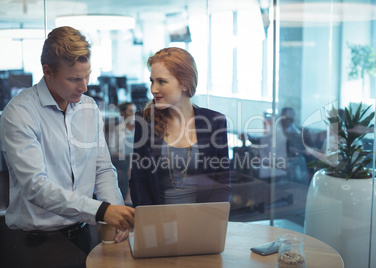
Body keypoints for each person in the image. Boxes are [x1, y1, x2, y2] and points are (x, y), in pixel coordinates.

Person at [0, 26, 134, 268]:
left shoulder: (89, 108)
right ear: (47, 72)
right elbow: (35, 187)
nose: (83, 87)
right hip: (37, 246)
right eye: (74, 79)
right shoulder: (19, 113)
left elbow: (102, 169)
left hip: (84, 236)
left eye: (87, 76)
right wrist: (103, 211)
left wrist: (115, 213)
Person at [129, 47, 231, 207]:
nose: (153, 89)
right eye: (152, 81)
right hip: (158, 223)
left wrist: (210, 218)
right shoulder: (145, 120)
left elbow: (222, 181)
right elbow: (138, 180)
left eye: (161, 81)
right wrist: (150, 220)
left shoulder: (215, 122)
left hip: (203, 221)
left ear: (184, 84)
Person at [109, 102, 136, 201]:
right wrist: (124, 155)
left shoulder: (139, 128)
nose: (133, 113)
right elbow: (112, 150)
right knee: (131, 158)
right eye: (130, 111)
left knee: (133, 157)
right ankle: (129, 195)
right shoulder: (117, 129)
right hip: (123, 159)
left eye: (134, 111)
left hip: (137, 159)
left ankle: (129, 196)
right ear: (123, 113)